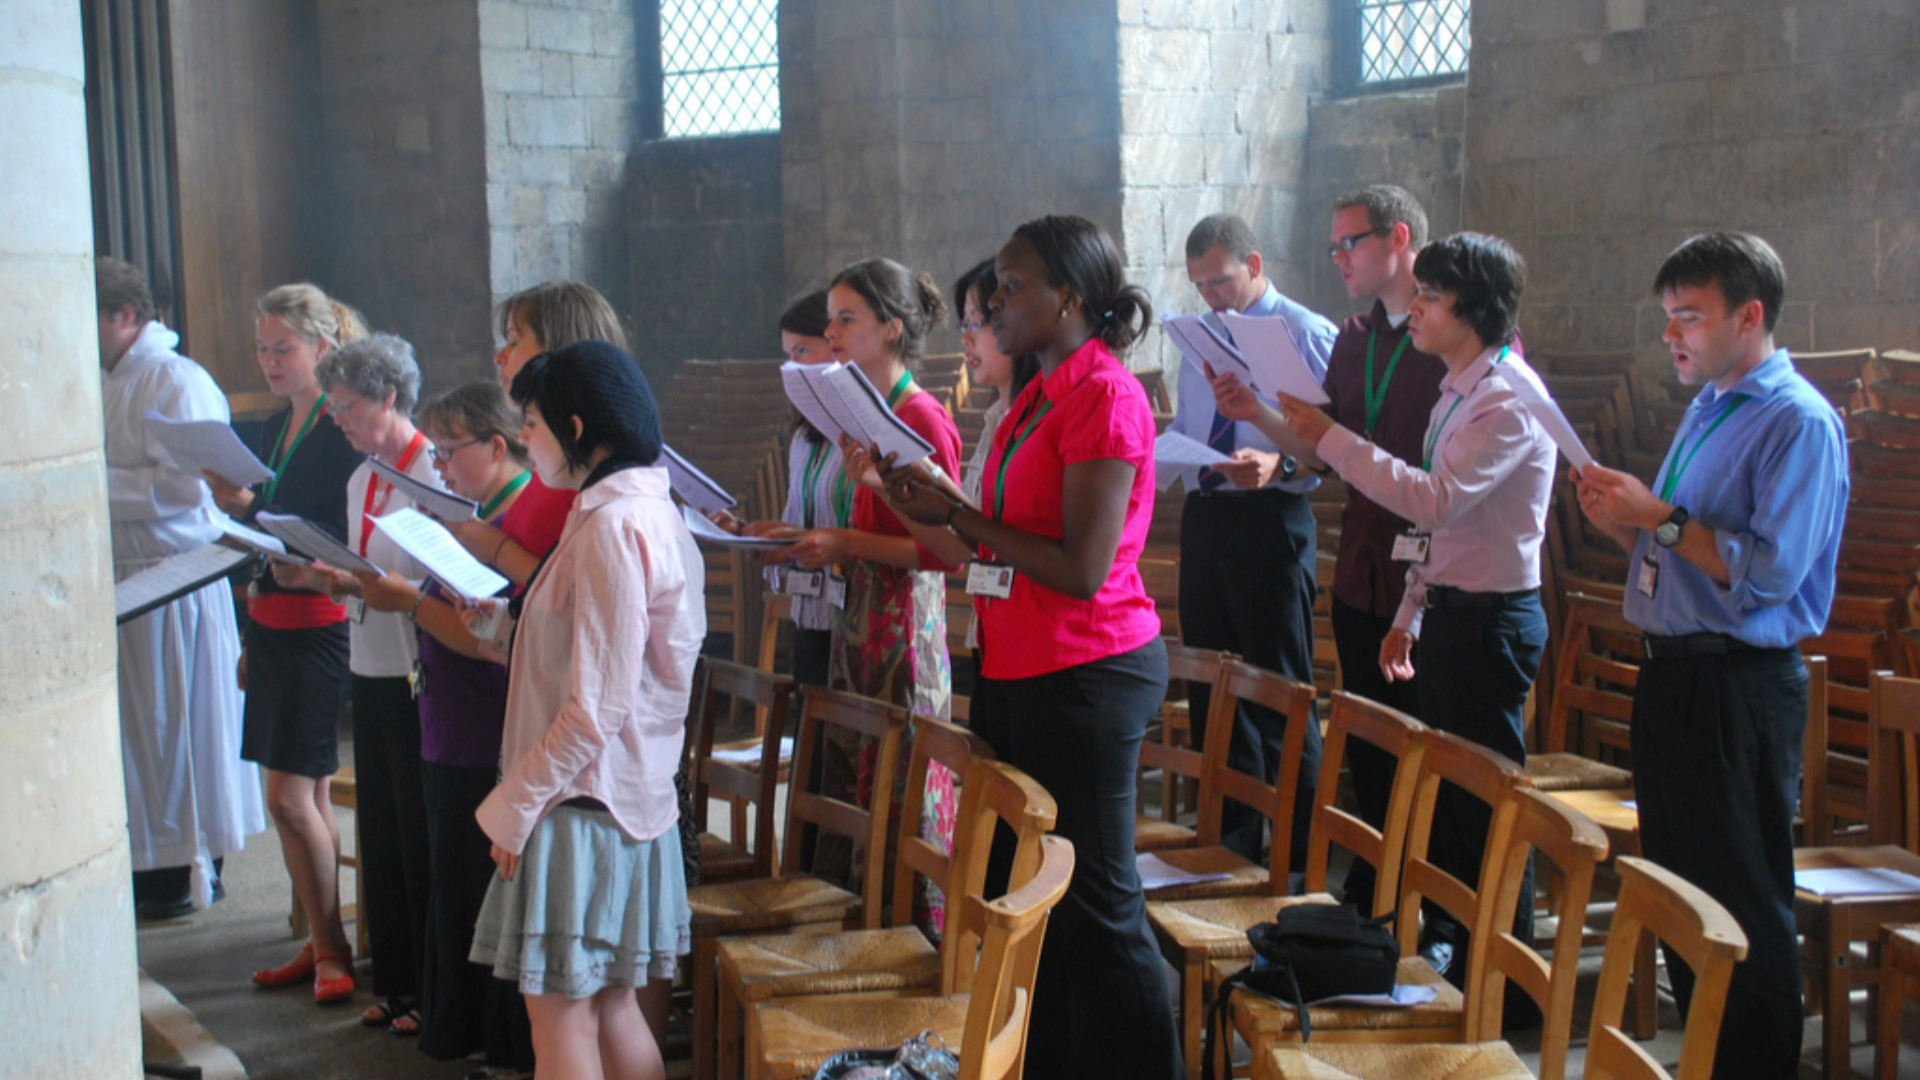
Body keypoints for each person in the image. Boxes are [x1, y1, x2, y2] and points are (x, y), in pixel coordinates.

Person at [875, 214, 1181, 1078]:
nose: (996, 302)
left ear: (1069, 297)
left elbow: (1081, 568)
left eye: (1012, 288)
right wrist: (915, 500)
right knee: (1029, 894)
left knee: (1097, 902)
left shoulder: (1104, 395)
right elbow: (982, 541)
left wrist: (959, 514)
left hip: (1088, 669)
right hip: (1016, 665)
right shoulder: (1033, 398)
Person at [1574, 232, 1845, 1080]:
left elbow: (1769, 572)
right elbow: (1681, 553)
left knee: (1741, 906)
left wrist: (1657, 518)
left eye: (1689, 316)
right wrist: (1622, 523)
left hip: (1738, 684)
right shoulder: (1711, 405)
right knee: (1683, 896)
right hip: (1676, 674)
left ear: (1749, 315)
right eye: (1668, 316)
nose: (1671, 334)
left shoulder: (1797, 420)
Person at [1268, 232, 1554, 985]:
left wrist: (1333, 439)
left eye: (1431, 296)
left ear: (1474, 307)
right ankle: (1457, 949)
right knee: (1453, 800)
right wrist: (1410, 613)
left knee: (1487, 803)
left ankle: (1506, 982)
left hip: (1493, 619)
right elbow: (1438, 531)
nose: (1415, 309)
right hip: (1451, 611)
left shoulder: (1509, 397)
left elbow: (1433, 500)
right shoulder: (1459, 387)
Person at [468, 340, 702, 1080]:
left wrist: (515, 805)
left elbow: (596, 709)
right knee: (611, 1010)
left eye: (532, 424)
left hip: (580, 806)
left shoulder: (612, 525)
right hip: (621, 800)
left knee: (563, 1025)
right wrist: (502, 624)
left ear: (575, 427)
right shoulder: (643, 510)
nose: (524, 440)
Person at [1209, 185, 1446, 912]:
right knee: (1371, 743)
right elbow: (1319, 452)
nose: (1338, 257)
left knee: (1433, 751)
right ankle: (1377, 894)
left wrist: (1313, 438)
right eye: (1334, 245)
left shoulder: (1448, 335)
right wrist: (1258, 414)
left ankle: (1435, 910)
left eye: (1351, 242)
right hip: (1362, 570)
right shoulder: (1355, 337)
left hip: (1432, 571)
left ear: (1398, 238)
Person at [350, 381, 549, 1066]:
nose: (437, 468)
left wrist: (407, 603)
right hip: (448, 720)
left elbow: (496, 637)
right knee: (454, 884)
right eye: (431, 453)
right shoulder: (479, 514)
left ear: (497, 445)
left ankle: (500, 1045)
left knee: (478, 888)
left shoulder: (516, 522)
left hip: (486, 725)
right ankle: (467, 1034)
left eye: (447, 452)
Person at [777, 258, 964, 891]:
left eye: (846, 319)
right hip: (859, 618)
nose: (830, 332)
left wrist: (846, 541)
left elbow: (945, 551)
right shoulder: (866, 411)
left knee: (900, 787)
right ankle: (855, 917)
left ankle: (905, 929)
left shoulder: (921, 416)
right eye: (830, 320)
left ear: (890, 327)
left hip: (903, 625)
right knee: (855, 781)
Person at [274, 332, 439, 1030]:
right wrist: (320, 578)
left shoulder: (431, 471)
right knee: (382, 831)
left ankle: (430, 992)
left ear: (389, 396)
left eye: (346, 407)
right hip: (368, 664)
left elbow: (432, 581)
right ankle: (395, 983)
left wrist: (352, 582)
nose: (337, 420)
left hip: (418, 670)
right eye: (334, 409)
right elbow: (361, 580)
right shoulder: (361, 475)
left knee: (419, 833)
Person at [205, 283, 365, 1004]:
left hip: (319, 627)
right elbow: (263, 541)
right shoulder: (274, 426)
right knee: (305, 797)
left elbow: (332, 533)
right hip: (271, 624)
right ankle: (324, 944)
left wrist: (250, 506)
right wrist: (249, 632)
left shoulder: (339, 429)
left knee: (289, 799)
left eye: (283, 348)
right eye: (261, 349)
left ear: (322, 347)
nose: (270, 361)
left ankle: (332, 949)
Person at [97, 256, 265, 920]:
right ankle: (144, 867)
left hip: (174, 581)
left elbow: (187, 486)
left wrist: (89, 481)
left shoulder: (175, 379)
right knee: (137, 740)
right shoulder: (103, 379)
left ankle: (189, 867)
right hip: (122, 577)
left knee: (179, 731)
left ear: (125, 315)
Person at [1168, 213, 1336, 865]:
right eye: (1199, 284)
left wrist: (1279, 464)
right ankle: (1230, 847)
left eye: (1220, 280)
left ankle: (1295, 859)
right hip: (1208, 518)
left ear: (1255, 265)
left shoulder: (1303, 331)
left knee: (1279, 694)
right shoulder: (1197, 335)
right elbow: (1193, 421)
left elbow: (1329, 449)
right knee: (1214, 690)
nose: (1210, 296)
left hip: (1271, 518)